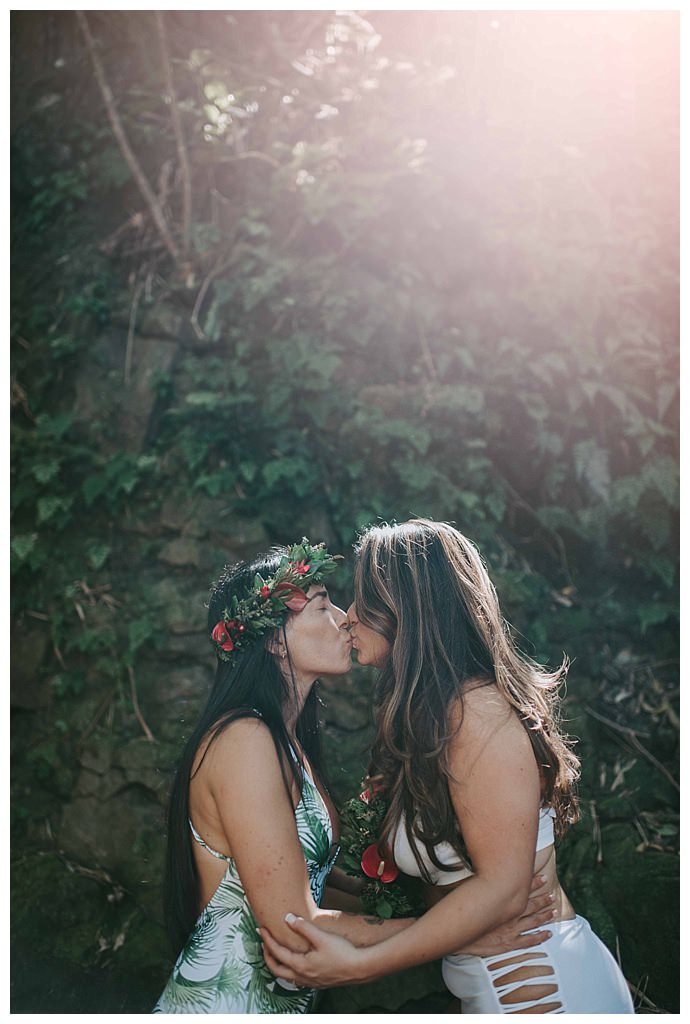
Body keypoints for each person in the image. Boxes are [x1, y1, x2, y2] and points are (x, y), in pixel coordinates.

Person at [154, 537, 557, 1014]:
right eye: (323, 605)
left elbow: (309, 882)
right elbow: (293, 924)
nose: (344, 617)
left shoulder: (282, 740)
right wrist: (470, 931)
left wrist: (441, 912)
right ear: (273, 640)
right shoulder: (244, 740)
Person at [260, 520, 635, 1013]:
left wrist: (358, 965)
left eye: (362, 599)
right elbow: (454, 893)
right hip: (495, 992)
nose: (348, 618)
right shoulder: (435, 719)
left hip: (545, 991)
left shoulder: (478, 712)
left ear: (408, 607)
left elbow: (504, 891)